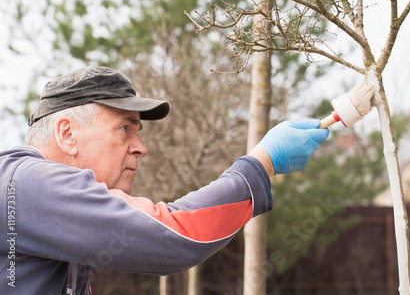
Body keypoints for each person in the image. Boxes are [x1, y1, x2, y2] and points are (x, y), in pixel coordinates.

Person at [0, 66, 329, 294]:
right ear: (68, 134)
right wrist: (262, 163)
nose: (140, 148)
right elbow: (175, 234)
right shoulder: (26, 185)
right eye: (125, 128)